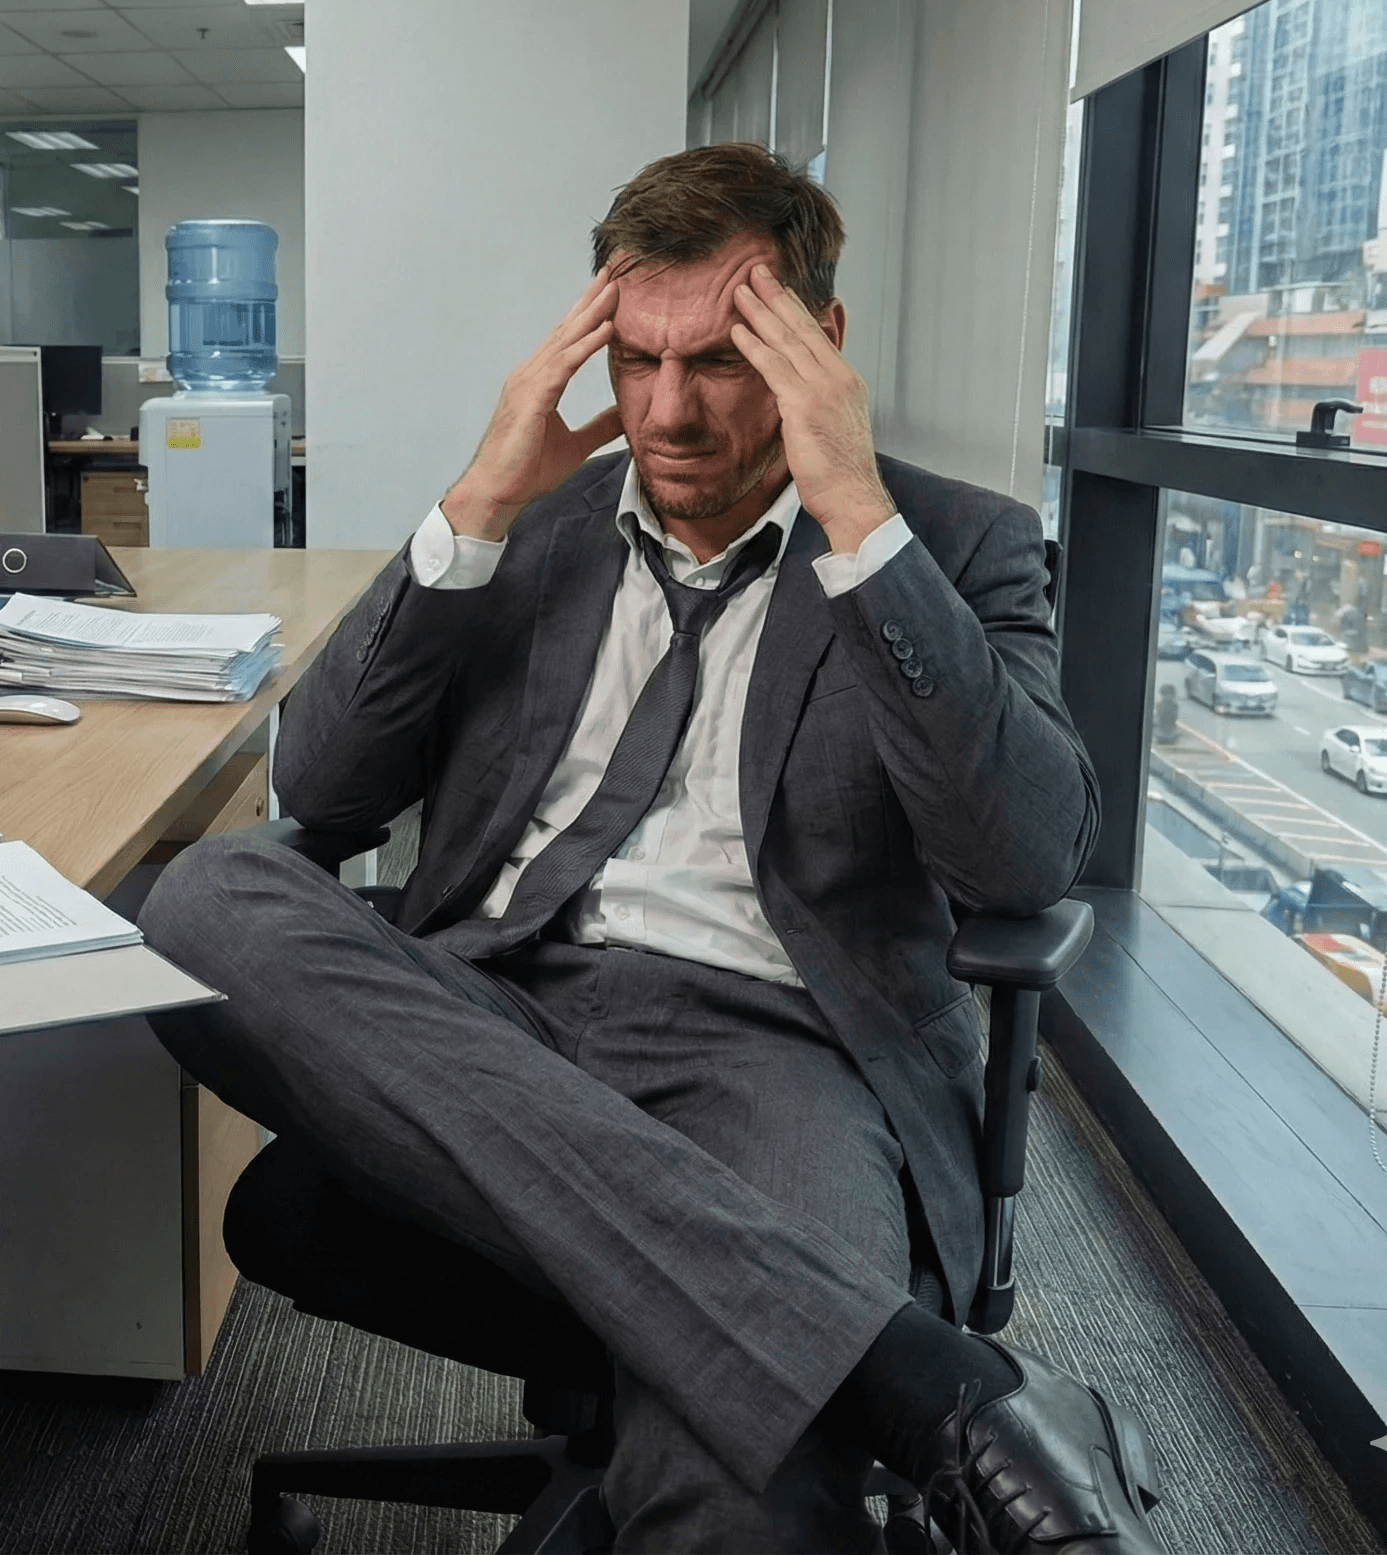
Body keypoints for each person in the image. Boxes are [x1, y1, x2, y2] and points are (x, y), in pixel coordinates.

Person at [140, 144, 1160, 1554]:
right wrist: (476, 506)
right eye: (634, 359)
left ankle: (802, 1358)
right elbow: (319, 785)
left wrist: (857, 516)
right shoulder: (535, 527)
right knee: (203, 895)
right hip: (493, 1013)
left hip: (782, 1050)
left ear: (821, 345)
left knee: (757, 1484)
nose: (667, 414)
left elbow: (1023, 861)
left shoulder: (953, 543)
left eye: (722, 363)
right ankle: (924, 1386)